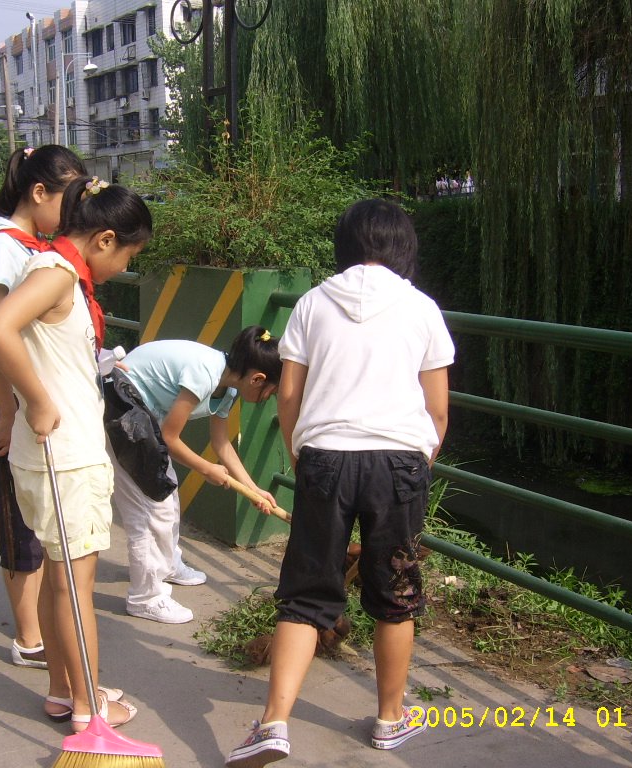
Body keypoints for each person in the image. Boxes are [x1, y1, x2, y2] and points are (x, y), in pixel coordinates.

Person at [226, 199, 455, 767]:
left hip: (325, 455)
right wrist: (419, 461)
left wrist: (301, 454)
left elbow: (287, 395)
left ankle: (274, 724)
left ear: (346, 244)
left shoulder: (311, 304)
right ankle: (390, 720)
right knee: (394, 593)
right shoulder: (423, 308)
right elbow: (438, 410)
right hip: (398, 461)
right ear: (402, 246)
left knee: (305, 594)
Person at [0, 174, 152, 732]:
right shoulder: (56, 273)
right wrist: (36, 402)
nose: (124, 267)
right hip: (67, 455)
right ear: (104, 239)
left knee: (61, 580)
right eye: (128, 254)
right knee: (75, 590)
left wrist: (30, 404)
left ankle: (64, 690)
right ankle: (89, 710)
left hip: (55, 451)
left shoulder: (55, 271)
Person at [0, 146, 86, 673]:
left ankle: (36, 631)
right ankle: (28, 637)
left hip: (18, 401)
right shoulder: (4, 247)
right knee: (18, 519)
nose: (76, 212)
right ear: (39, 193)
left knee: (34, 516)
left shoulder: (26, 244)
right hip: (6, 401)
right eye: (70, 198)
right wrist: (10, 412)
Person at [111, 328, 280, 624]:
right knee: (150, 510)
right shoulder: (205, 373)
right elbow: (170, 438)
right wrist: (206, 469)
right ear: (257, 379)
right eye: (271, 392)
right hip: (122, 406)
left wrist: (254, 490)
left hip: (141, 415)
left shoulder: (228, 385)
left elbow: (221, 444)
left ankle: (168, 564)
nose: (269, 397)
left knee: (167, 493)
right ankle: (145, 596)